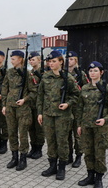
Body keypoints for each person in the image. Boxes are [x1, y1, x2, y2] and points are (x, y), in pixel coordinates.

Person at [37, 50, 79, 180]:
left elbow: (76, 95)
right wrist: (40, 113)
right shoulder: (46, 77)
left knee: (62, 142)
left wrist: (68, 103)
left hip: (63, 115)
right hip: (48, 114)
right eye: (49, 61)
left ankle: (61, 168)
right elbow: (40, 96)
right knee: (50, 141)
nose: (51, 64)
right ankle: (52, 166)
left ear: (61, 62)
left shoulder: (68, 78)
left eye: (54, 61)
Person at [77, 61, 108, 188]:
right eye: (90, 71)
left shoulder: (107, 88)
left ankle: (99, 178)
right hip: (87, 126)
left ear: (101, 73)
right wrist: (79, 125)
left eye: (95, 71)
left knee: (99, 153)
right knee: (88, 152)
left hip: (101, 128)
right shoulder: (84, 88)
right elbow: (80, 108)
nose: (92, 73)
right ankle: (90, 176)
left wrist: (105, 119)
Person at [1, 50, 36, 171]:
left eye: (14, 59)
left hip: (23, 109)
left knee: (22, 134)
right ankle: (14, 157)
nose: (12, 61)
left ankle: (23, 158)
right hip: (10, 107)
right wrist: (4, 105)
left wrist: (24, 100)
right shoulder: (9, 72)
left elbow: (34, 92)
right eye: (11, 59)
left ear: (20, 59)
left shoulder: (27, 74)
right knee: (11, 132)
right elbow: (4, 89)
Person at [66, 51, 90, 167]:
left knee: (77, 133)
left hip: (77, 107)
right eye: (68, 59)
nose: (69, 61)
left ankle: (79, 156)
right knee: (66, 133)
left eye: (71, 59)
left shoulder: (81, 73)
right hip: (66, 107)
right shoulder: (63, 73)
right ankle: (69, 155)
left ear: (76, 60)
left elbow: (87, 89)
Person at [27, 51, 45, 159]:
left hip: (39, 103)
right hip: (30, 104)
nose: (31, 61)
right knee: (31, 127)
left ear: (39, 60)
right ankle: (33, 147)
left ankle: (39, 149)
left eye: (33, 59)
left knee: (39, 128)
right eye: (30, 60)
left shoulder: (43, 72)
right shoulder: (30, 73)